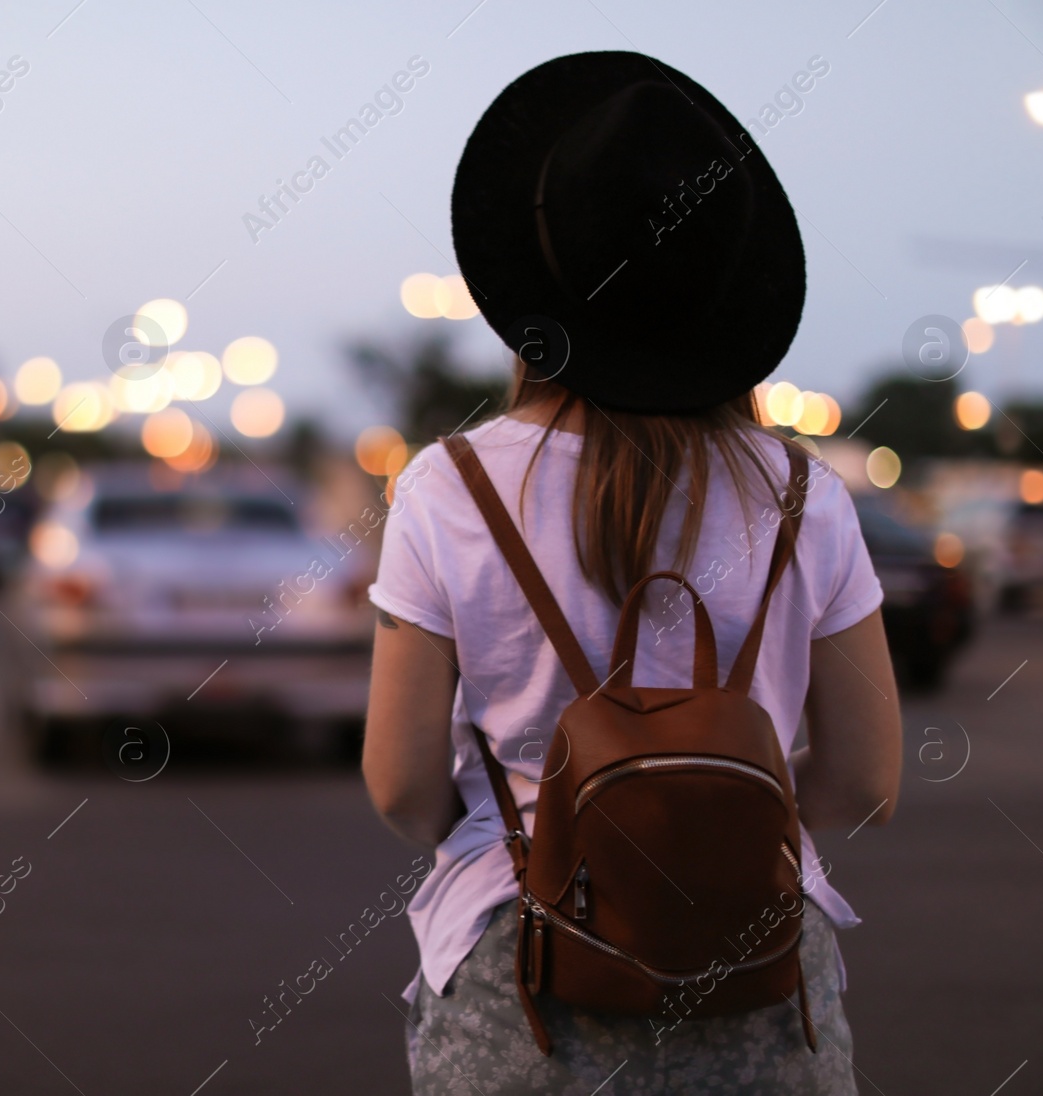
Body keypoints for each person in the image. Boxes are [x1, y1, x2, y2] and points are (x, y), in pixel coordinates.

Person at [362, 52, 902, 1095]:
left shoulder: (448, 488)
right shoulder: (804, 495)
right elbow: (865, 780)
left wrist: (526, 837)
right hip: (758, 982)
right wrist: (706, 834)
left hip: (522, 996)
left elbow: (398, 785)